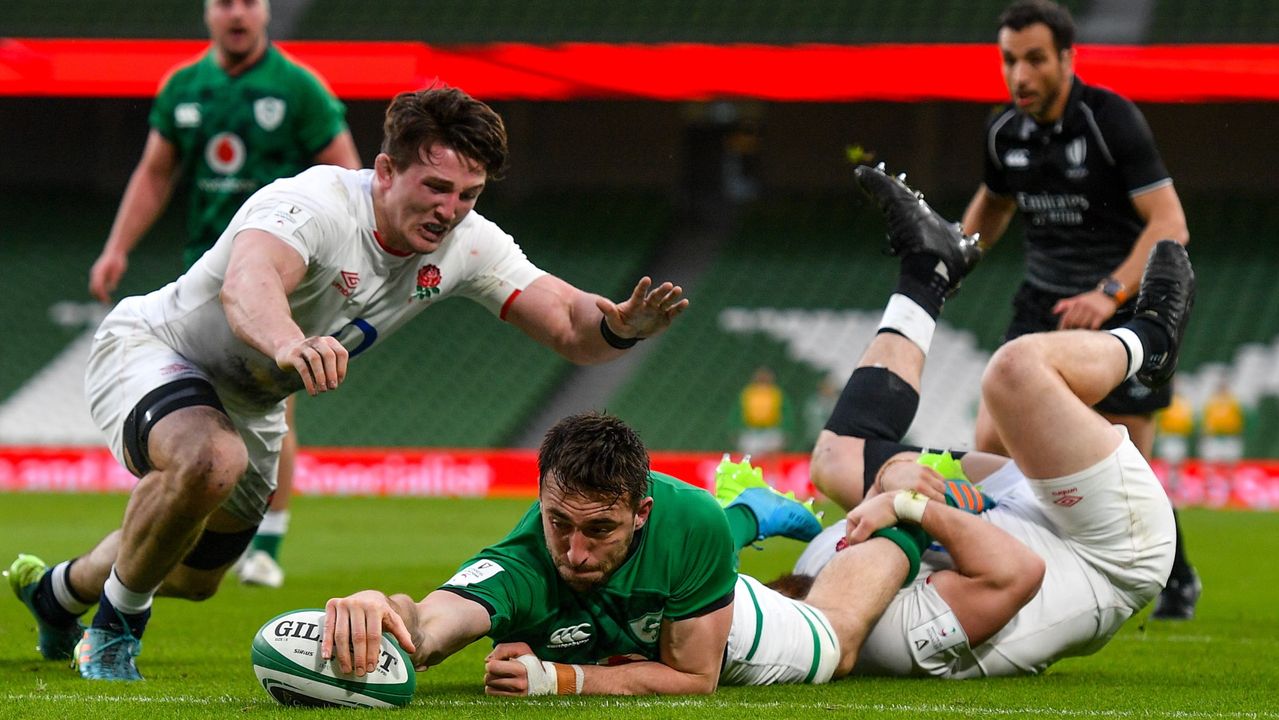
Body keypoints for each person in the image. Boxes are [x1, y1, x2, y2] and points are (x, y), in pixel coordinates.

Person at [6, 86, 689, 682]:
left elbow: (571, 324)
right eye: (436, 187)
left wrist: (622, 325)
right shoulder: (314, 203)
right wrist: (289, 342)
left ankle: (61, 594)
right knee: (210, 460)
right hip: (160, 350)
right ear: (386, 170)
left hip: (252, 400)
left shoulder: (467, 244)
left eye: (468, 195)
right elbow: (251, 284)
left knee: (191, 574)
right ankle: (115, 631)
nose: (452, 210)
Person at [756, 165, 1189, 679]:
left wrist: (894, 485)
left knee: (836, 458)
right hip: (1110, 549)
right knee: (1013, 374)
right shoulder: (886, 637)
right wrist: (904, 501)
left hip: (1024, 512)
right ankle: (1152, 339)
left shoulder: (815, 569)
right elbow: (1014, 573)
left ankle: (929, 270)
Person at [87, 0, 363, 589]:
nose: (236, 13)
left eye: (248, 2)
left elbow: (347, 176)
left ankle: (267, 543)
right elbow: (156, 172)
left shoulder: (298, 88)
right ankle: (154, 539)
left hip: (280, 281)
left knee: (275, 406)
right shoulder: (185, 86)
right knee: (187, 424)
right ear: (207, 13)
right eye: (224, 3)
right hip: (203, 283)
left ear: (264, 13)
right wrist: (117, 247)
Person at [959, 0, 1197, 620]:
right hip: (1041, 301)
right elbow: (994, 207)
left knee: (1127, 462)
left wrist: (1107, 294)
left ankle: (1179, 574)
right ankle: (1015, 572)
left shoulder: (1110, 120)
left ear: (1067, 58)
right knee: (991, 447)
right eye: (1010, 61)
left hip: (1123, 304)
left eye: (1035, 60)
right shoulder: (1002, 132)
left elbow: (1171, 223)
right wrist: (947, 260)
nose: (1020, 76)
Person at [323, 411, 740, 696]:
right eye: (559, 523)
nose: (575, 554)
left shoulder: (693, 523)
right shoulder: (520, 567)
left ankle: (749, 512)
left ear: (640, 514)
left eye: (599, 529)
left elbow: (696, 676)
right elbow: (427, 624)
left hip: (740, 622)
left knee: (809, 610)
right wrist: (382, 606)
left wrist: (559, 679)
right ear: (541, 498)